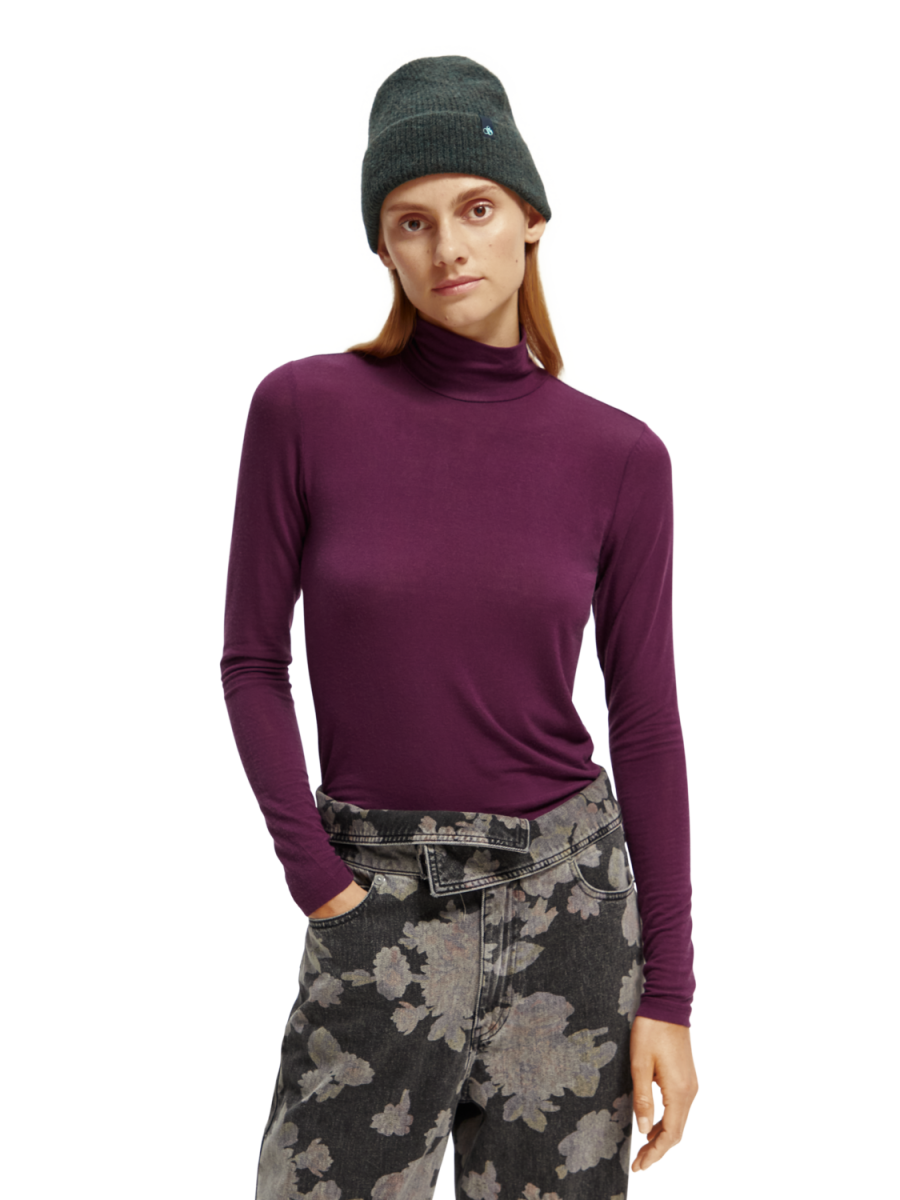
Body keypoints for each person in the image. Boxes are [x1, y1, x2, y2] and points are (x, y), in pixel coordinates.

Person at [220, 49, 698, 1200]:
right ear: (383, 247)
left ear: (532, 218)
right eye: (412, 221)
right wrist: (323, 888)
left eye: (476, 208)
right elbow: (250, 664)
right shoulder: (301, 409)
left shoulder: (622, 457)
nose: (448, 248)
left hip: (571, 909)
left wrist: (671, 996)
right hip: (374, 900)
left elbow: (644, 723)